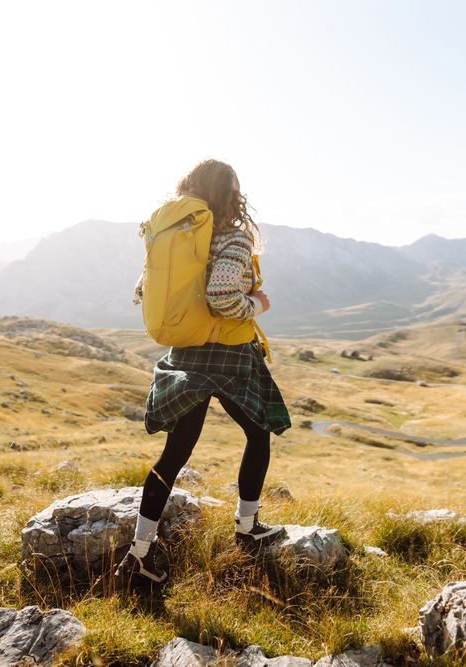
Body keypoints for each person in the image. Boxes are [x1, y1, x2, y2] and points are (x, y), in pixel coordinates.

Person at [115, 159, 292, 586]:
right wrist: (256, 305)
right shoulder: (232, 238)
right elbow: (220, 295)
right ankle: (247, 530)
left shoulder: (175, 238)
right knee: (258, 433)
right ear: (231, 195)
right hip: (229, 355)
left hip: (188, 352)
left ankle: (139, 553)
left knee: (175, 454)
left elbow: (144, 289)